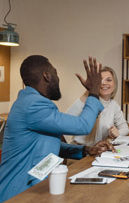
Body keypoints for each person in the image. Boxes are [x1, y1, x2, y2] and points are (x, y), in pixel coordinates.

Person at [0, 55, 115, 202]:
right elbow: (83, 125)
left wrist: (85, 150)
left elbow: (46, 145)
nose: (58, 78)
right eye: (56, 73)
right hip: (18, 194)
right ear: (46, 76)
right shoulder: (34, 105)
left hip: (33, 190)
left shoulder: (29, 102)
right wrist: (93, 92)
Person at [67, 66, 129, 146]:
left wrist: (117, 133)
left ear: (114, 84)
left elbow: (125, 128)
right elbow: (68, 118)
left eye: (109, 80)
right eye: (100, 80)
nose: (103, 83)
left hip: (99, 151)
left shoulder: (114, 105)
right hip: (80, 151)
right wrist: (90, 90)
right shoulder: (89, 101)